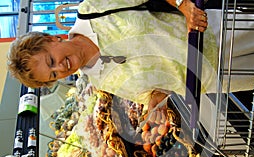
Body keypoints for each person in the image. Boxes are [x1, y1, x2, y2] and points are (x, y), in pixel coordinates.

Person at [7, 0, 214, 116]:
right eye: (53, 74)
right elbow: (153, 93)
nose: (61, 69)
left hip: (211, 29)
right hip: (210, 80)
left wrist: (182, 4)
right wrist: (155, 103)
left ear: (52, 39)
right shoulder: (100, 80)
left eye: (51, 60)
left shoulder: (92, 9)